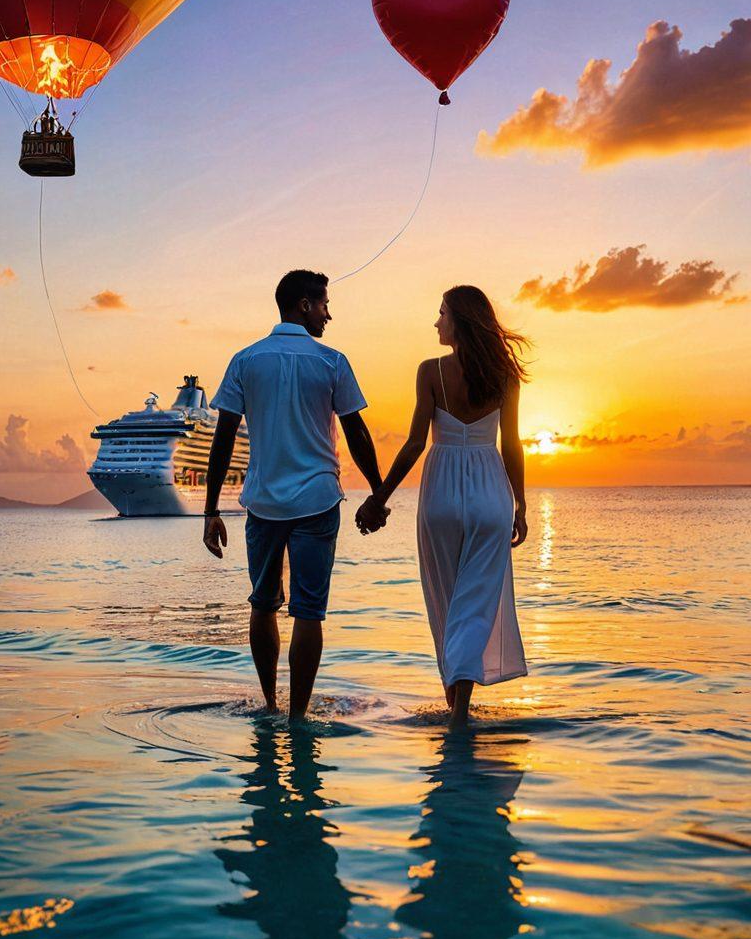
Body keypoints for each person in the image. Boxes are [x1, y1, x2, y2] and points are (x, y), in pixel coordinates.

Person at [203, 269, 388, 721]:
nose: (329, 314)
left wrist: (210, 510)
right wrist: (378, 493)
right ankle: (298, 717)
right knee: (308, 613)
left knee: (263, 604)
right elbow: (357, 431)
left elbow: (223, 437)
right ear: (304, 305)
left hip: (264, 503)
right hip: (318, 502)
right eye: (324, 304)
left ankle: (268, 705)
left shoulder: (246, 360)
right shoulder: (331, 361)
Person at [356, 285, 529, 728]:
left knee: (446, 602)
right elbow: (512, 444)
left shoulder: (430, 371)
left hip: (442, 495)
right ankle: (461, 710)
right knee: (474, 605)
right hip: (491, 492)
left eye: (441, 314)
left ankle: (457, 710)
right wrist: (521, 504)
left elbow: (415, 443)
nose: (436, 323)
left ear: (459, 321)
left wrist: (380, 497)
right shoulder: (504, 377)